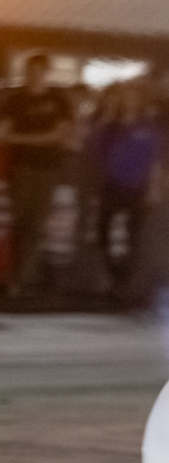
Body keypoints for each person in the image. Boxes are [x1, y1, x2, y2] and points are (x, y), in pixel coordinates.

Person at [0, 54, 74, 297]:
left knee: (36, 223)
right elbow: (4, 130)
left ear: (46, 72)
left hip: (48, 168)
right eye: (31, 71)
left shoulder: (58, 99)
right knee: (17, 220)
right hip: (22, 167)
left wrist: (18, 138)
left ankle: (21, 280)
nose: (34, 76)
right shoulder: (16, 99)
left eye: (39, 71)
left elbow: (58, 135)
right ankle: (9, 273)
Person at [87, 81, 166, 299]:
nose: (128, 101)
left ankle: (125, 283)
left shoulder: (148, 127)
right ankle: (114, 275)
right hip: (111, 185)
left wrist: (154, 187)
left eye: (132, 97)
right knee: (104, 233)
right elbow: (95, 152)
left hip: (137, 186)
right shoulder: (109, 127)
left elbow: (156, 160)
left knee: (133, 235)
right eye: (124, 96)